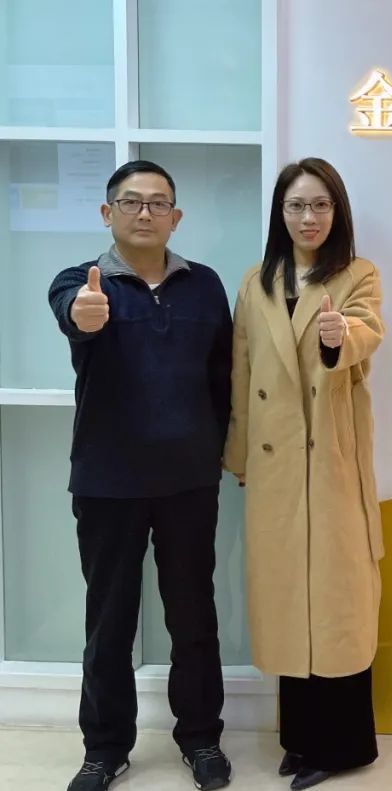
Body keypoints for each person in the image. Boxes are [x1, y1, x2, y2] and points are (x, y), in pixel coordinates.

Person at [48, 161, 234, 791]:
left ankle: (201, 738)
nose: (145, 212)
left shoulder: (205, 285)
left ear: (176, 217)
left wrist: (223, 451)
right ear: (109, 213)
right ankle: (104, 749)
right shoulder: (81, 282)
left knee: (194, 616)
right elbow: (73, 312)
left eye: (159, 203)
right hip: (107, 482)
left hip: (189, 481)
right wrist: (84, 313)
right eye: (131, 202)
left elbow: (222, 378)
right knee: (110, 622)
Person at [224, 158, 385, 790]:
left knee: (336, 601)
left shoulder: (357, 274)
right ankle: (299, 739)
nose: (308, 217)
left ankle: (343, 746)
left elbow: (368, 333)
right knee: (290, 597)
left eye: (320, 205)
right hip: (275, 466)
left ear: (337, 211)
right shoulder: (256, 280)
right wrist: (240, 456)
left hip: (330, 459)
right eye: (296, 206)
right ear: (280, 214)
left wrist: (338, 336)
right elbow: (241, 372)